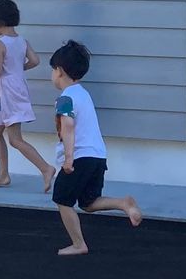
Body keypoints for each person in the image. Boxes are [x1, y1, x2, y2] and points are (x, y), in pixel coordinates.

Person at [47, 39, 143, 256]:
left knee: (62, 199)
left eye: (53, 70)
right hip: (97, 156)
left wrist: (68, 159)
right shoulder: (83, 93)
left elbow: (68, 127)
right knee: (88, 202)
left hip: (78, 157)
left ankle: (78, 243)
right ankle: (123, 203)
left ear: (60, 71)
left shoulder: (65, 98)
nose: (52, 75)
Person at [0, 0, 52, 190]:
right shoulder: (22, 41)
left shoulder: (0, 43)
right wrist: (18, 70)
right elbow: (34, 61)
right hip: (12, 89)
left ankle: (46, 168)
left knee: (15, 139)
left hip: (7, 92)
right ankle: (3, 174)